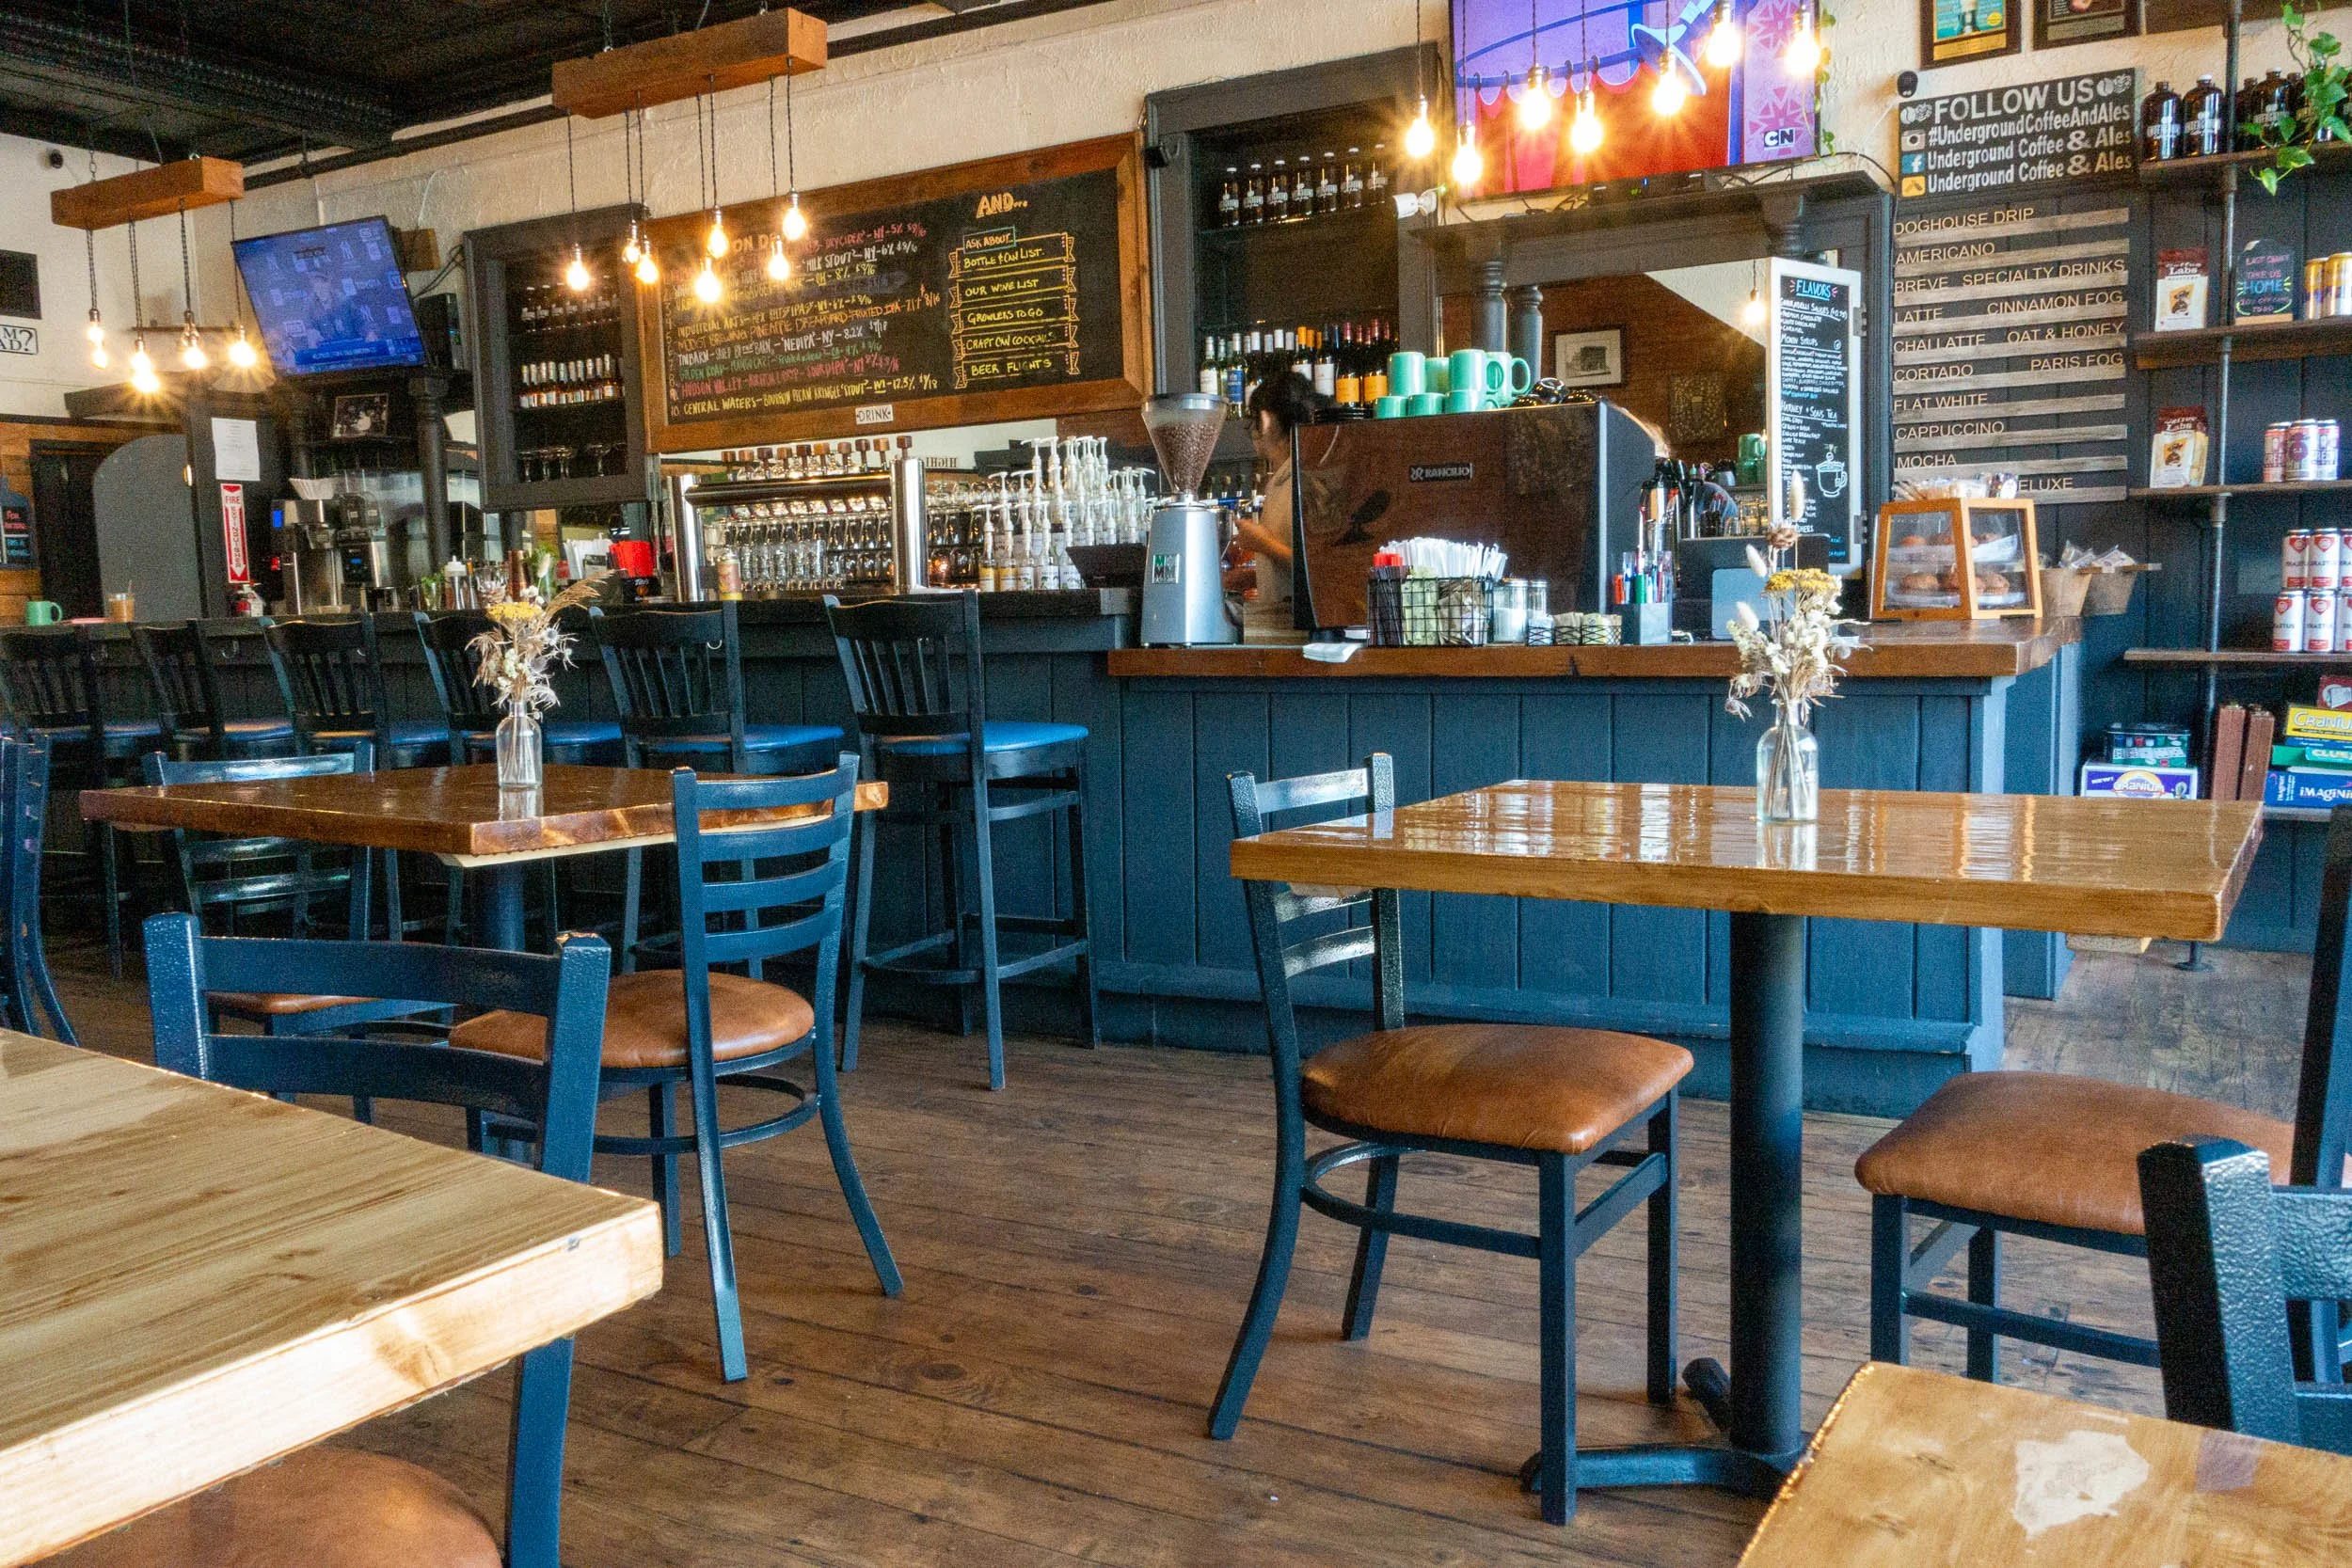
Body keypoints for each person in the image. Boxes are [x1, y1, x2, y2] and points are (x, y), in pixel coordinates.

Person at [1229, 372, 1322, 602]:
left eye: (1254, 420)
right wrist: (1249, 577)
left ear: (1266, 419)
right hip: (1285, 625)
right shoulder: (1286, 477)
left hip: (1300, 633)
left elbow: (1321, 569)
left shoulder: (1303, 479)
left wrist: (1262, 543)